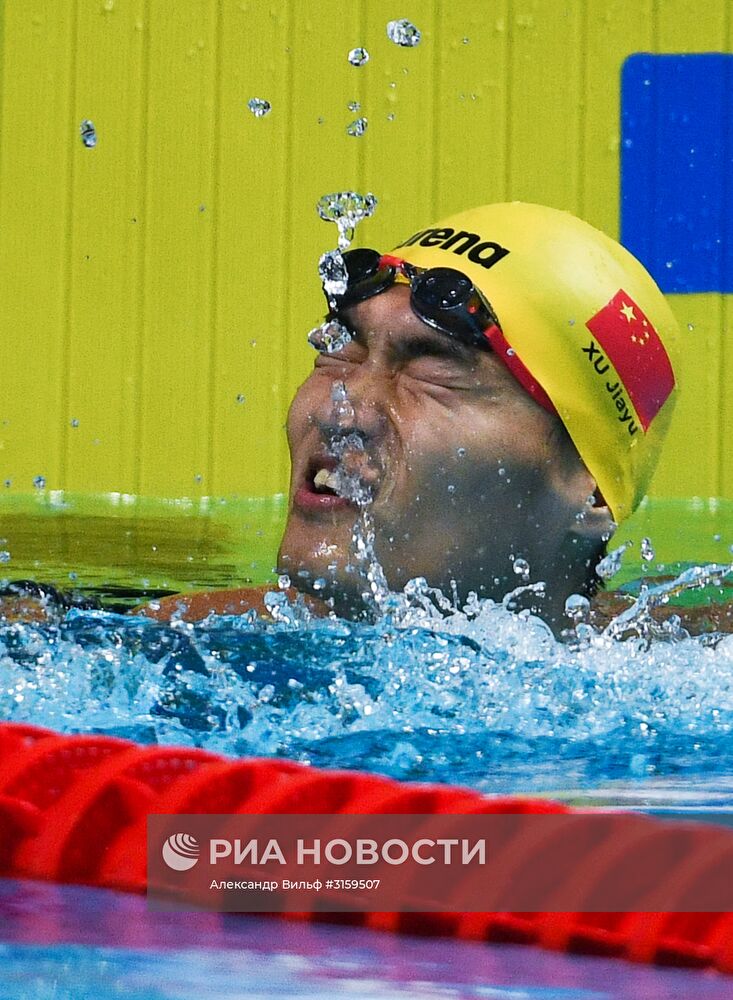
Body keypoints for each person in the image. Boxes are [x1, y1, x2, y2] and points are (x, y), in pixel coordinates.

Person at [141, 201, 682, 633]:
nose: (342, 407)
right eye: (343, 351)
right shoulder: (180, 642)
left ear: (590, 492)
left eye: (432, 370)